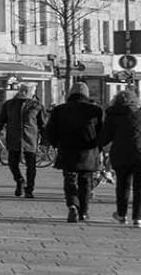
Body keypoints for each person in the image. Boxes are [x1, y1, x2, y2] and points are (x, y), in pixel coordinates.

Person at [100, 90, 141, 228]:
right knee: (140, 187)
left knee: (123, 186)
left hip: (121, 155)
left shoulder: (113, 116)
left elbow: (104, 138)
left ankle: (121, 215)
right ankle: (138, 219)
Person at [45, 82, 105, 223]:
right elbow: (102, 132)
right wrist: (99, 148)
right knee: (85, 180)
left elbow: (50, 131)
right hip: (88, 150)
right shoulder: (95, 110)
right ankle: (83, 212)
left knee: (69, 178)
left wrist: (56, 144)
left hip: (67, 148)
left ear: (70, 93)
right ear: (86, 94)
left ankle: (72, 205)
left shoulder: (59, 110)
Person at [0, 85, 48, 198]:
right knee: (12, 164)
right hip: (14, 138)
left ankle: (29, 189)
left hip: (30, 139)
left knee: (31, 166)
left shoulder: (36, 105)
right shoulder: (9, 105)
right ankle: (20, 181)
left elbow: (43, 125)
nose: (24, 93)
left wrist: (45, 142)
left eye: (26, 91)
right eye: (22, 90)